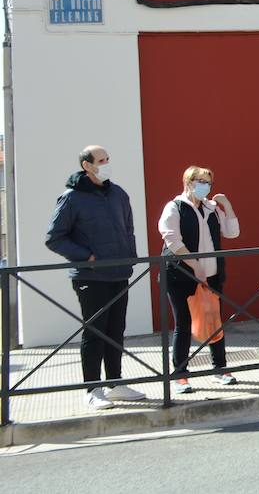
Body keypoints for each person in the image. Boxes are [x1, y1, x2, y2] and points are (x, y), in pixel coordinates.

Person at [45, 145, 145, 410]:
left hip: (119, 273)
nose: (107, 163)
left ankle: (116, 383)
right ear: (87, 165)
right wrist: (86, 257)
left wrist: (130, 256)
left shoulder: (118, 194)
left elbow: (129, 228)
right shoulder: (71, 198)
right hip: (91, 276)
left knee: (116, 329)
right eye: (101, 160)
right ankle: (92, 388)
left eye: (108, 159)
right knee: (95, 331)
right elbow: (54, 237)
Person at [158, 166, 240, 393]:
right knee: (183, 323)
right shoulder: (174, 207)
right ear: (188, 182)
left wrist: (227, 206)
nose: (205, 185)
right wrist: (194, 266)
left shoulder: (212, 208)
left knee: (214, 320)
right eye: (200, 181)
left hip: (212, 274)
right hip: (180, 274)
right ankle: (180, 375)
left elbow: (232, 232)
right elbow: (172, 239)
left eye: (208, 182)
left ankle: (220, 369)